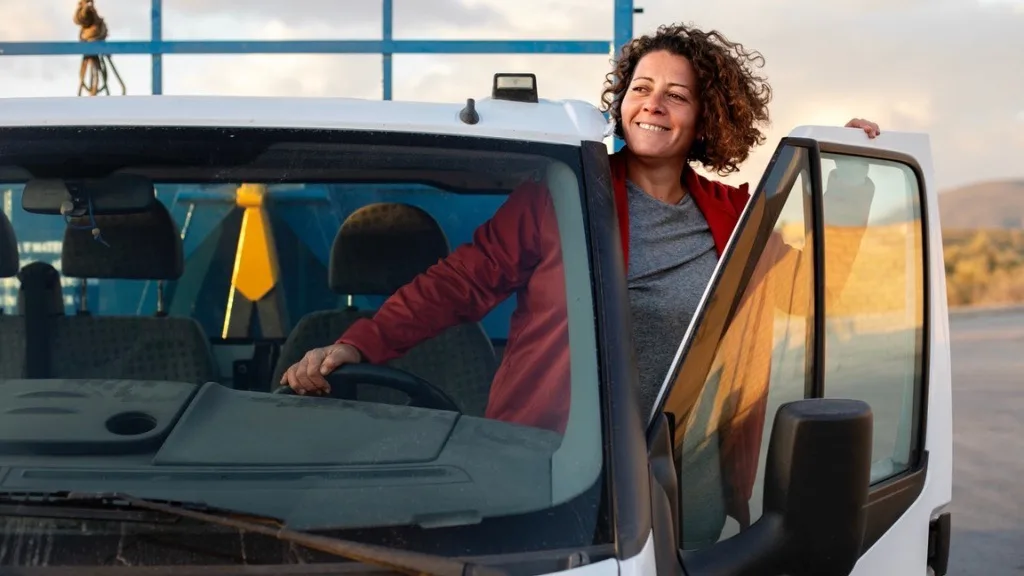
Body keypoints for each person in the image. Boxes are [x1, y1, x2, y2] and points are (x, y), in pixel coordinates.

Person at [281, 23, 880, 520]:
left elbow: (808, 295)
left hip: (685, 476)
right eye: (641, 88)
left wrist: (851, 181)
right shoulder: (561, 197)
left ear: (705, 118)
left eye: (677, 94)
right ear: (621, 103)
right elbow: (459, 284)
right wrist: (359, 344)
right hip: (557, 464)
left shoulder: (731, 215)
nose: (653, 104)